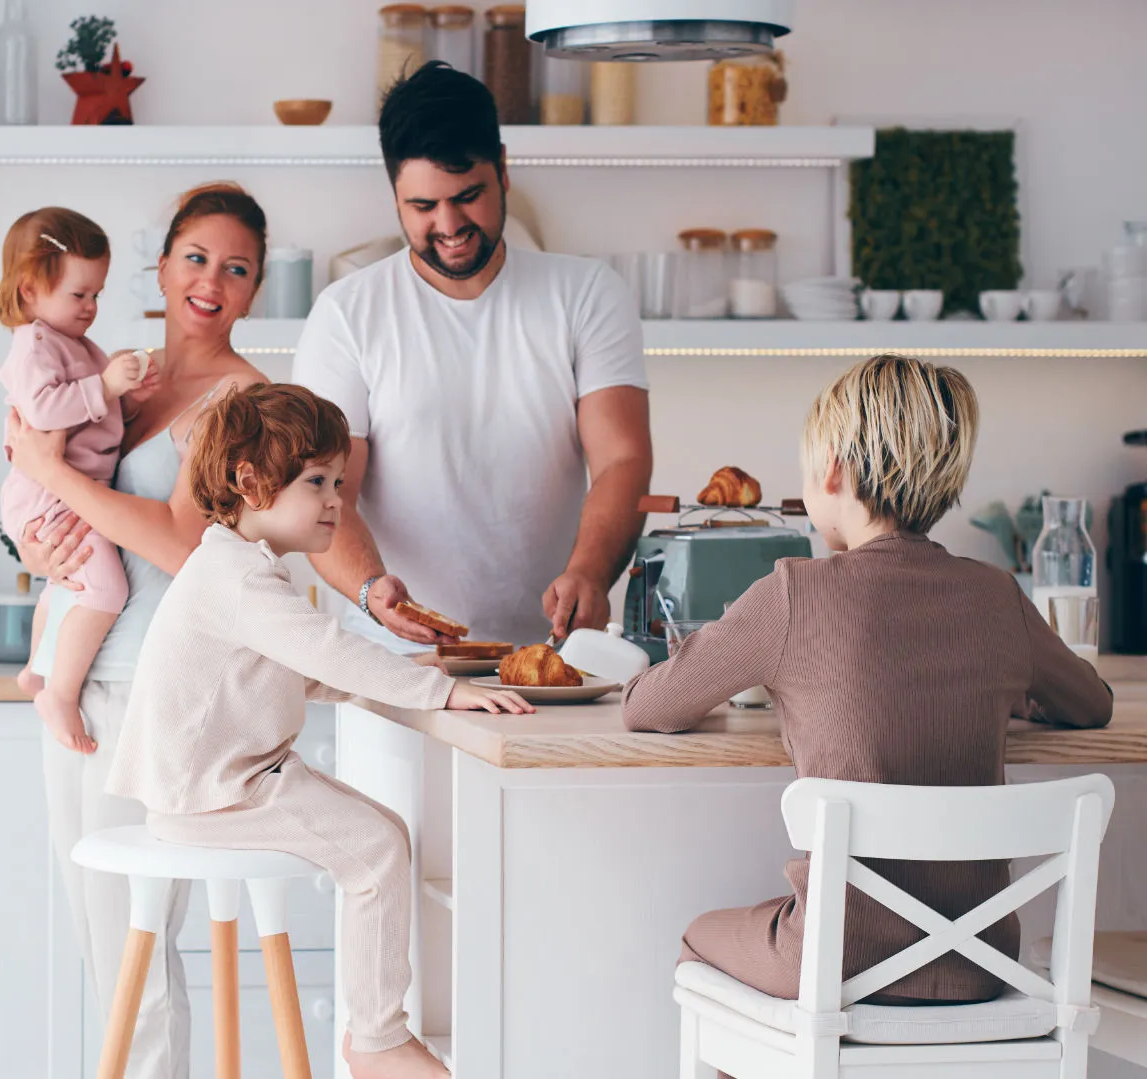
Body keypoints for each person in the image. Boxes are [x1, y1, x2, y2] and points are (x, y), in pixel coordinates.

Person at [624, 354, 1113, 1016]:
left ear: (830, 468)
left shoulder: (794, 592)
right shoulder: (1000, 598)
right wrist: (1013, 689)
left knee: (696, 939)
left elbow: (648, 706)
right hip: (984, 961)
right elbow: (1091, 703)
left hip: (835, 956)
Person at [109, 382, 531, 1079]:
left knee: (383, 836)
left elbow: (301, 669)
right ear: (250, 483)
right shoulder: (239, 579)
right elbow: (328, 650)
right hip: (216, 794)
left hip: (223, 784)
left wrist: (413, 675)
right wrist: (439, 689)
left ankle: (378, 1033)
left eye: (338, 479)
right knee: (374, 849)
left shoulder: (241, 567)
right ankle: (376, 1039)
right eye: (317, 481)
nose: (337, 497)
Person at [6, 183, 274, 1079]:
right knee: (97, 924)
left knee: (138, 937)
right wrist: (36, 544)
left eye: (237, 268)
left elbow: (179, 537)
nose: (212, 280)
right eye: (196, 258)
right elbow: (61, 502)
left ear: (255, 290)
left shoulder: (246, 399)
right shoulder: (116, 377)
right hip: (77, 676)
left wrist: (53, 471)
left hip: (157, 687)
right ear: (160, 269)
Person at [292, 62, 653, 649]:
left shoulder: (587, 294)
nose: (450, 224)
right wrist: (371, 588)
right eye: (423, 206)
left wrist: (590, 570)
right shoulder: (346, 314)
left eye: (467, 196)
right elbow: (325, 490)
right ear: (395, 196)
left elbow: (621, 458)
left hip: (553, 654)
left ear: (504, 170)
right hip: (394, 660)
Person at [0, 206, 155, 754]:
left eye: (97, 295)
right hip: (47, 495)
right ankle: (60, 693)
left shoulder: (80, 346)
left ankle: (37, 671)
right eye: (78, 294)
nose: (90, 308)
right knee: (106, 589)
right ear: (31, 289)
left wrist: (129, 394)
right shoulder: (34, 344)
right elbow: (42, 412)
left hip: (65, 494)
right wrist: (107, 387)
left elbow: (101, 417)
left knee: (63, 585)